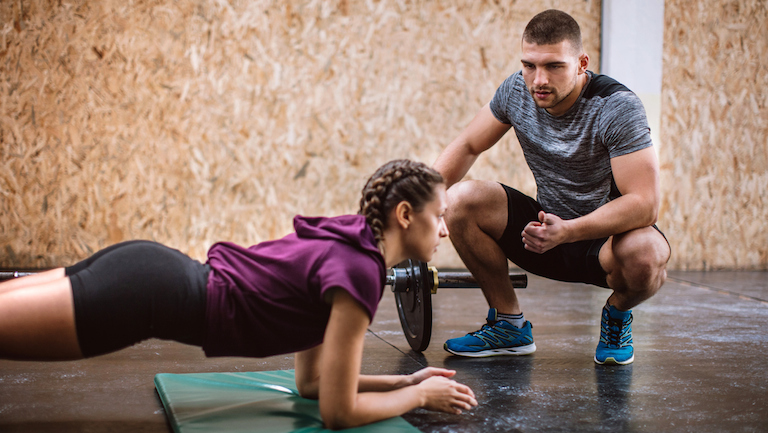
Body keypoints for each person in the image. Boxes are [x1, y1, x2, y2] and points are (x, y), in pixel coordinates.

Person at [0, 159, 477, 430]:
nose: (445, 231)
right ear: (404, 216)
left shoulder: (349, 240)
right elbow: (337, 412)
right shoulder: (360, 276)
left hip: (144, 270)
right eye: (439, 217)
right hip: (143, 296)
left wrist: (403, 383)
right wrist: (419, 399)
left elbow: (311, 387)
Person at [434, 9, 671, 365]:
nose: (538, 80)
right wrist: (426, 205)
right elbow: (468, 145)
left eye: (554, 66)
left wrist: (570, 231)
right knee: (457, 200)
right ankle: (509, 325)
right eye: (529, 65)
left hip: (605, 242)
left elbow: (645, 204)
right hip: (544, 233)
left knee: (647, 256)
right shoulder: (517, 90)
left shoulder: (617, 107)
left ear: (581, 63)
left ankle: (618, 313)